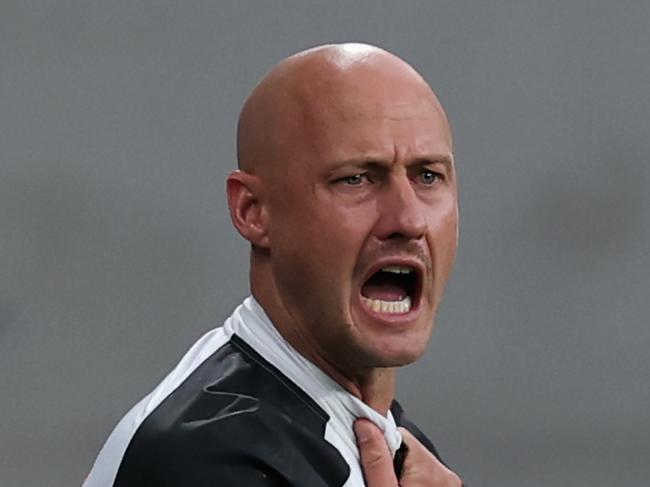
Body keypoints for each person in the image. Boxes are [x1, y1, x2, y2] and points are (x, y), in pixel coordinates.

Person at [84, 43, 463, 487]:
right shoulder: (203, 458)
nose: (409, 219)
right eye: (356, 179)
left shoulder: (398, 450)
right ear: (253, 211)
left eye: (428, 176)